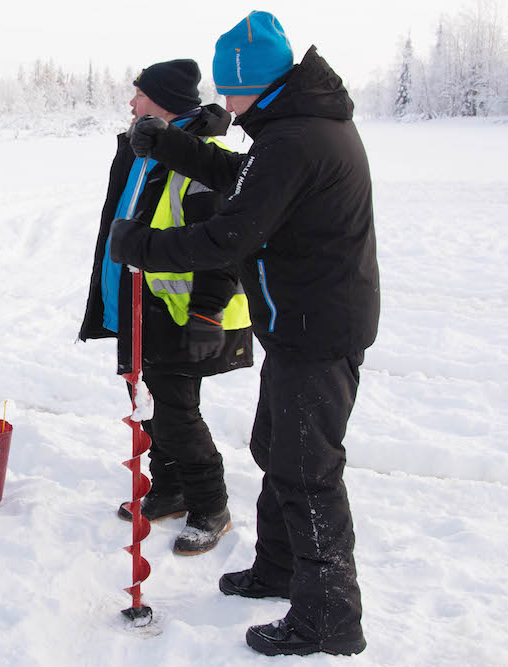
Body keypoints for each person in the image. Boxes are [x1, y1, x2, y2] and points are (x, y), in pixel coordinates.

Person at [110, 11, 379, 657]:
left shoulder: (297, 138)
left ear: (252, 83)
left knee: (307, 471)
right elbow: (244, 179)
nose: (223, 104)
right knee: (275, 446)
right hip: (303, 323)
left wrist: (137, 244)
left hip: (316, 329)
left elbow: (231, 232)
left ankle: (329, 619)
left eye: (230, 90)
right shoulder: (295, 126)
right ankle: (280, 568)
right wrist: (170, 145)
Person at [78, 59, 252, 556]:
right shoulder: (144, 149)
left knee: (177, 412)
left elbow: (225, 245)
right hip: (144, 306)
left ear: (164, 102)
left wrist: (206, 313)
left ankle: (211, 505)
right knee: (150, 405)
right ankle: (171, 487)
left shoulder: (205, 157)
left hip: (183, 312)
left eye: (139, 95)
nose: (131, 104)